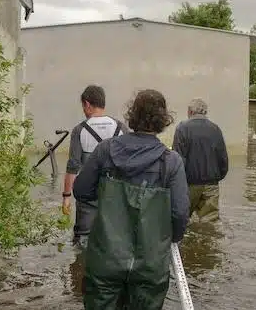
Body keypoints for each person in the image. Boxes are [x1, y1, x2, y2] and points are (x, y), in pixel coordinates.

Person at [73, 89, 190, 310]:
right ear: (163, 120)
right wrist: (166, 240)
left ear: (132, 115)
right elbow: (179, 214)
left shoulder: (105, 150)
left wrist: (109, 203)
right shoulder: (171, 162)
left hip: (106, 259)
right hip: (149, 264)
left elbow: (81, 191)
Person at [63, 85, 129, 247]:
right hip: (115, 197)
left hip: (88, 198)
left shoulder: (79, 130)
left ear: (87, 104)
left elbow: (73, 166)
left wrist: (66, 197)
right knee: (114, 241)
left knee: (81, 242)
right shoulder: (121, 128)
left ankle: (80, 269)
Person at [172, 98, 228, 222]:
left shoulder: (182, 128)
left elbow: (178, 158)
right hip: (211, 184)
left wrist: (177, 183)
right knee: (210, 223)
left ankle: (188, 241)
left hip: (189, 184)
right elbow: (223, 158)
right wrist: (217, 177)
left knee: (183, 220)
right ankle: (207, 241)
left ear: (190, 112)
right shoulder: (216, 129)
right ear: (205, 112)